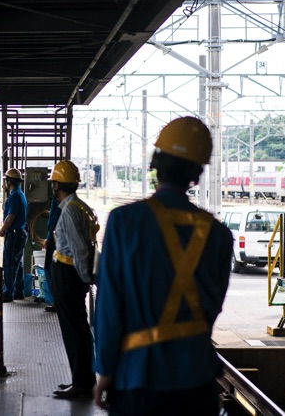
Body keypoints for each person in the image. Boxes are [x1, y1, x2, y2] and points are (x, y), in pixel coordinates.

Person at [93, 116, 233, 415]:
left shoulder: (124, 222)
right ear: (197, 172)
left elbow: (108, 307)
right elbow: (214, 307)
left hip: (138, 378)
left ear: (155, 163)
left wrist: (106, 369)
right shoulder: (219, 235)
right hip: (198, 378)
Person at [49, 160, 98, 399]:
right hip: (73, 275)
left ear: (57, 184)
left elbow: (79, 249)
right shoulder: (80, 206)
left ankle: (81, 383)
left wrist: (84, 279)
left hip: (69, 275)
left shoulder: (69, 210)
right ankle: (84, 379)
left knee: (74, 330)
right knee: (79, 328)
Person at [0, 168, 28, 302]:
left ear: (9, 181)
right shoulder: (20, 194)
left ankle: (8, 293)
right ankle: (18, 291)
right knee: (18, 263)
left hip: (14, 234)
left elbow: (11, 217)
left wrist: (3, 229)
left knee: (10, 263)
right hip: (20, 233)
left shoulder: (15, 196)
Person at [43, 194, 62, 312]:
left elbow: (53, 222)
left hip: (55, 241)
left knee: (50, 270)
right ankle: (59, 302)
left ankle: (58, 302)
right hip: (58, 240)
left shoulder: (58, 201)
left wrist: (48, 238)